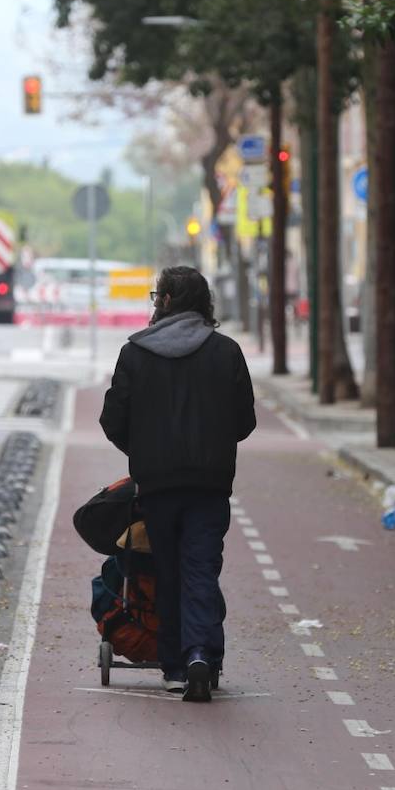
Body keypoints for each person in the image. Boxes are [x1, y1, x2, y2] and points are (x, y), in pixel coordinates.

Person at [99, 266, 256, 702]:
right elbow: (245, 421)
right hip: (210, 483)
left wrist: (144, 451)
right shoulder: (227, 352)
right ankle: (202, 654)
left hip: (157, 485)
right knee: (202, 568)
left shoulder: (135, 353)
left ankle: (172, 666)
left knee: (166, 571)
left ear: (164, 301)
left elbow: (113, 420)